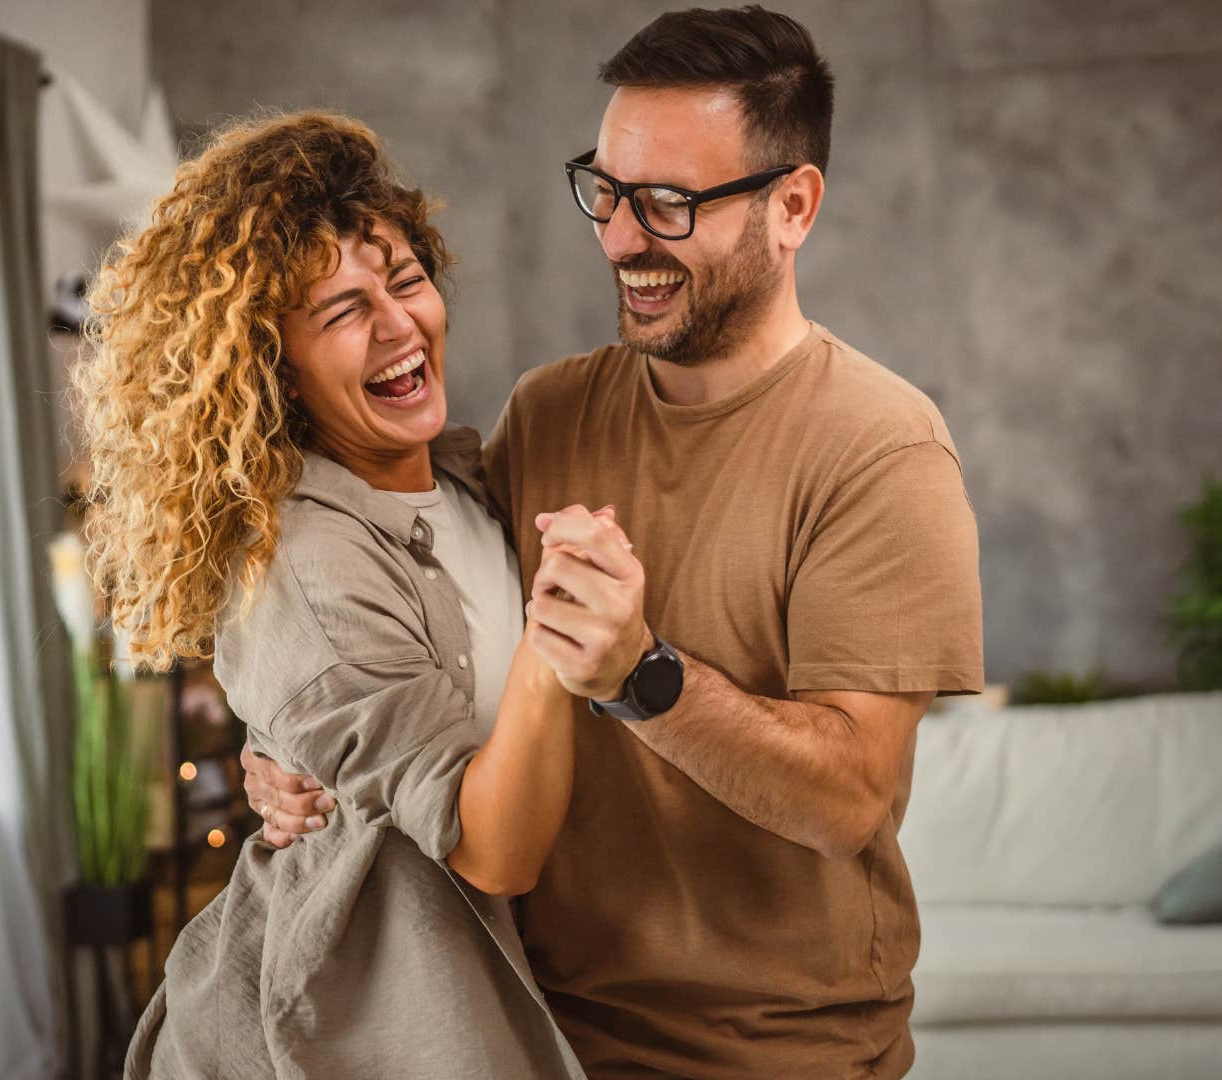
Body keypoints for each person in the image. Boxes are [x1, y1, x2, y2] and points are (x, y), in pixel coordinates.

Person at [245, 7, 986, 1077]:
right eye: (607, 189)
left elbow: (851, 799)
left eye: (670, 203)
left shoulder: (881, 450)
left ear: (793, 205)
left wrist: (643, 678)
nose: (622, 237)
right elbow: (442, 636)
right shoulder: (547, 413)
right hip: (540, 1038)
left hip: (781, 1058)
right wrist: (292, 742)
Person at [77, 110, 591, 1078]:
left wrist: (272, 744)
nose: (399, 324)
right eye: (344, 311)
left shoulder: (469, 477)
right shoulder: (304, 565)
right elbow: (495, 850)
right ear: (277, 363)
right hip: (356, 1032)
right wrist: (566, 639)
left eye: (404, 282)